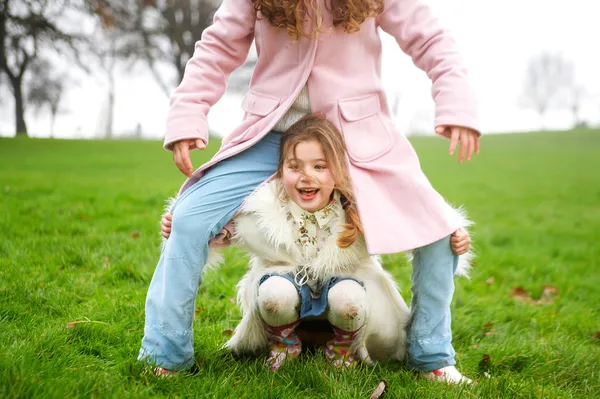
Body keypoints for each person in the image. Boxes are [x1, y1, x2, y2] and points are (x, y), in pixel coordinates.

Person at [140, 0, 480, 384]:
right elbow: (216, 48)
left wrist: (457, 106)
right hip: (269, 134)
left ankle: (431, 355)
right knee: (188, 218)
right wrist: (188, 114)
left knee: (439, 231)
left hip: (354, 135)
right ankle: (166, 354)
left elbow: (431, 38)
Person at [160, 114, 471, 372]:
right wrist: (183, 224)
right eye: (294, 167)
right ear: (280, 171)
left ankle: (345, 348)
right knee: (273, 294)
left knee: (348, 298)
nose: (306, 177)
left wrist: (449, 235)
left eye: (319, 167)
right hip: (287, 297)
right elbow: (223, 228)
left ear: (336, 171)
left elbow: (409, 227)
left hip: (346, 299)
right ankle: (283, 343)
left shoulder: (358, 209)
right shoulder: (265, 207)